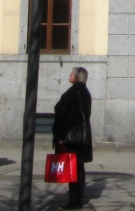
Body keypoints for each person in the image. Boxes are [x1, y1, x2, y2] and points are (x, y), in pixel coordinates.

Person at [52, 67, 92, 210]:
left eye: (71, 73)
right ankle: (78, 198)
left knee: (72, 169)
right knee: (79, 168)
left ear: (77, 78)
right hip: (81, 137)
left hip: (71, 137)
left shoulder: (73, 93)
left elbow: (65, 116)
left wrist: (61, 136)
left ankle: (74, 200)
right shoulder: (85, 92)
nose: (69, 75)